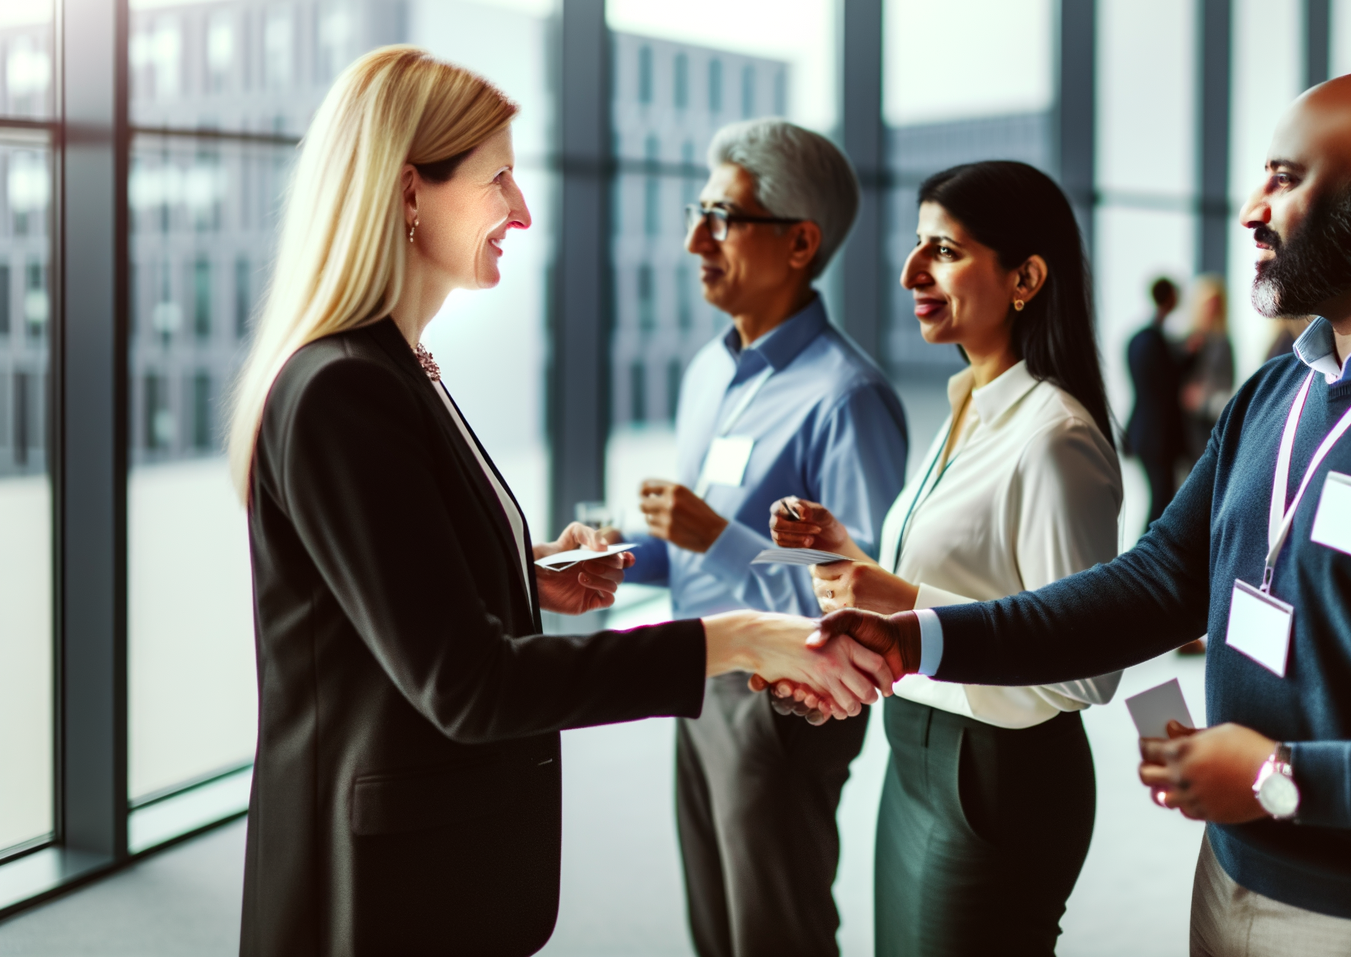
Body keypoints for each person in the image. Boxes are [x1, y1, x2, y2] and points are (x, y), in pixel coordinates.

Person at [798, 68, 1351, 957]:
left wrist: (1284, 778)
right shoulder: (1278, 389)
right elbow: (1158, 580)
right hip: (1232, 874)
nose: (1251, 208)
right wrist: (926, 637)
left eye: (1285, 178)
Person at [225, 48, 889, 957]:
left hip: (737, 721)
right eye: (500, 178)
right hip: (373, 889)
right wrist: (730, 639)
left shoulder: (397, 371)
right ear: (410, 191)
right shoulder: (349, 388)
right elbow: (465, 682)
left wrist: (527, 575)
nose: (523, 211)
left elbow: (405, 588)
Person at [765, 161, 1123, 956]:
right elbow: (967, 583)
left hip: (997, 780)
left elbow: (1089, 671)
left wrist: (895, 593)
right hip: (919, 757)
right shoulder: (968, 405)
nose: (909, 273)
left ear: (1025, 276)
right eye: (916, 246)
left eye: (944, 251)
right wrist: (848, 554)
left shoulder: (1055, 438)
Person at [606, 117, 908, 957]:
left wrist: (718, 536)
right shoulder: (710, 370)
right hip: (698, 670)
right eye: (700, 212)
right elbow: (696, 551)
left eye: (723, 217)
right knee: (716, 928)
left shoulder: (846, 399)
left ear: (801, 241)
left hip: (782, 702)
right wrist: (611, 557)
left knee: (776, 932)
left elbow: (862, 593)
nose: (694, 238)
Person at [1126, 276, 1191, 526]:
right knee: (1161, 501)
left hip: (1142, 431)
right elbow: (1168, 382)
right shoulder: (1155, 341)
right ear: (1170, 298)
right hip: (1158, 436)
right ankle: (1146, 560)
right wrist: (1190, 358)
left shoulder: (1137, 338)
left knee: (1159, 498)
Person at [1181, 276, 1235, 464]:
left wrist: (1203, 395)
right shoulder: (1189, 339)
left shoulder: (1223, 341)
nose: (1212, 309)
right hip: (1186, 414)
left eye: (1216, 304)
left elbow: (1227, 379)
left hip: (1210, 411)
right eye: (1208, 303)